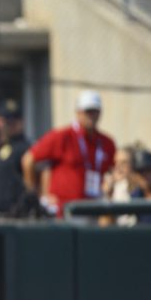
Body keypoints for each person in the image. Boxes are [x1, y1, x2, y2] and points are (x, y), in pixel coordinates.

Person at [22, 90, 117, 218]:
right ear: (78, 112)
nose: (91, 115)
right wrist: (36, 196)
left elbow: (112, 170)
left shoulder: (107, 142)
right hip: (64, 212)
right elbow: (28, 159)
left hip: (94, 210)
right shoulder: (63, 136)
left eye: (95, 111)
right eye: (87, 111)